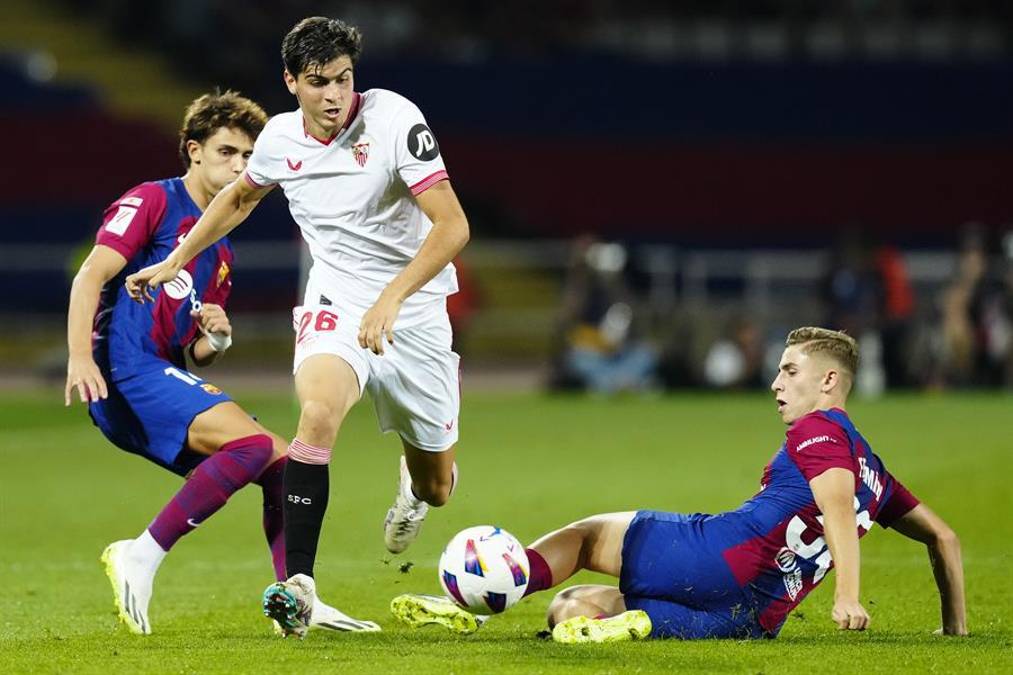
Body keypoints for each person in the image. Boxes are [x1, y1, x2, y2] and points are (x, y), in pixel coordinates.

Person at [124, 17, 470, 637]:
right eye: (318, 82)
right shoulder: (281, 139)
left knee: (438, 486)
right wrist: (175, 259)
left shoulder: (394, 120)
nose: (334, 95)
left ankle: (413, 490)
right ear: (290, 82)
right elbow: (237, 199)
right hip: (337, 300)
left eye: (343, 79)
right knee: (316, 414)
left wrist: (392, 298)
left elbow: (453, 225)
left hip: (413, 311)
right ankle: (300, 584)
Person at [391, 327, 968, 642]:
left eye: (790, 370)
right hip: (752, 618)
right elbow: (944, 538)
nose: (776, 383)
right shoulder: (876, 473)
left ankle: (481, 599)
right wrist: (955, 630)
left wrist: (847, 597)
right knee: (569, 609)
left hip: (718, 555)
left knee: (589, 537)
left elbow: (835, 505)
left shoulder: (818, 430)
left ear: (830, 381)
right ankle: (635, 624)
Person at [66, 90, 376, 636]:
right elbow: (90, 274)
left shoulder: (220, 251)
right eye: (227, 152)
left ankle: (297, 596)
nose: (238, 166)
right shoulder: (154, 200)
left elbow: (194, 357)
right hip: (122, 372)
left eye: (248, 157)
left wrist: (217, 338)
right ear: (194, 150)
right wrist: (78, 357)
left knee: (285, 465)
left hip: (159, 374)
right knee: (252, 445)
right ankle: (140, 554)